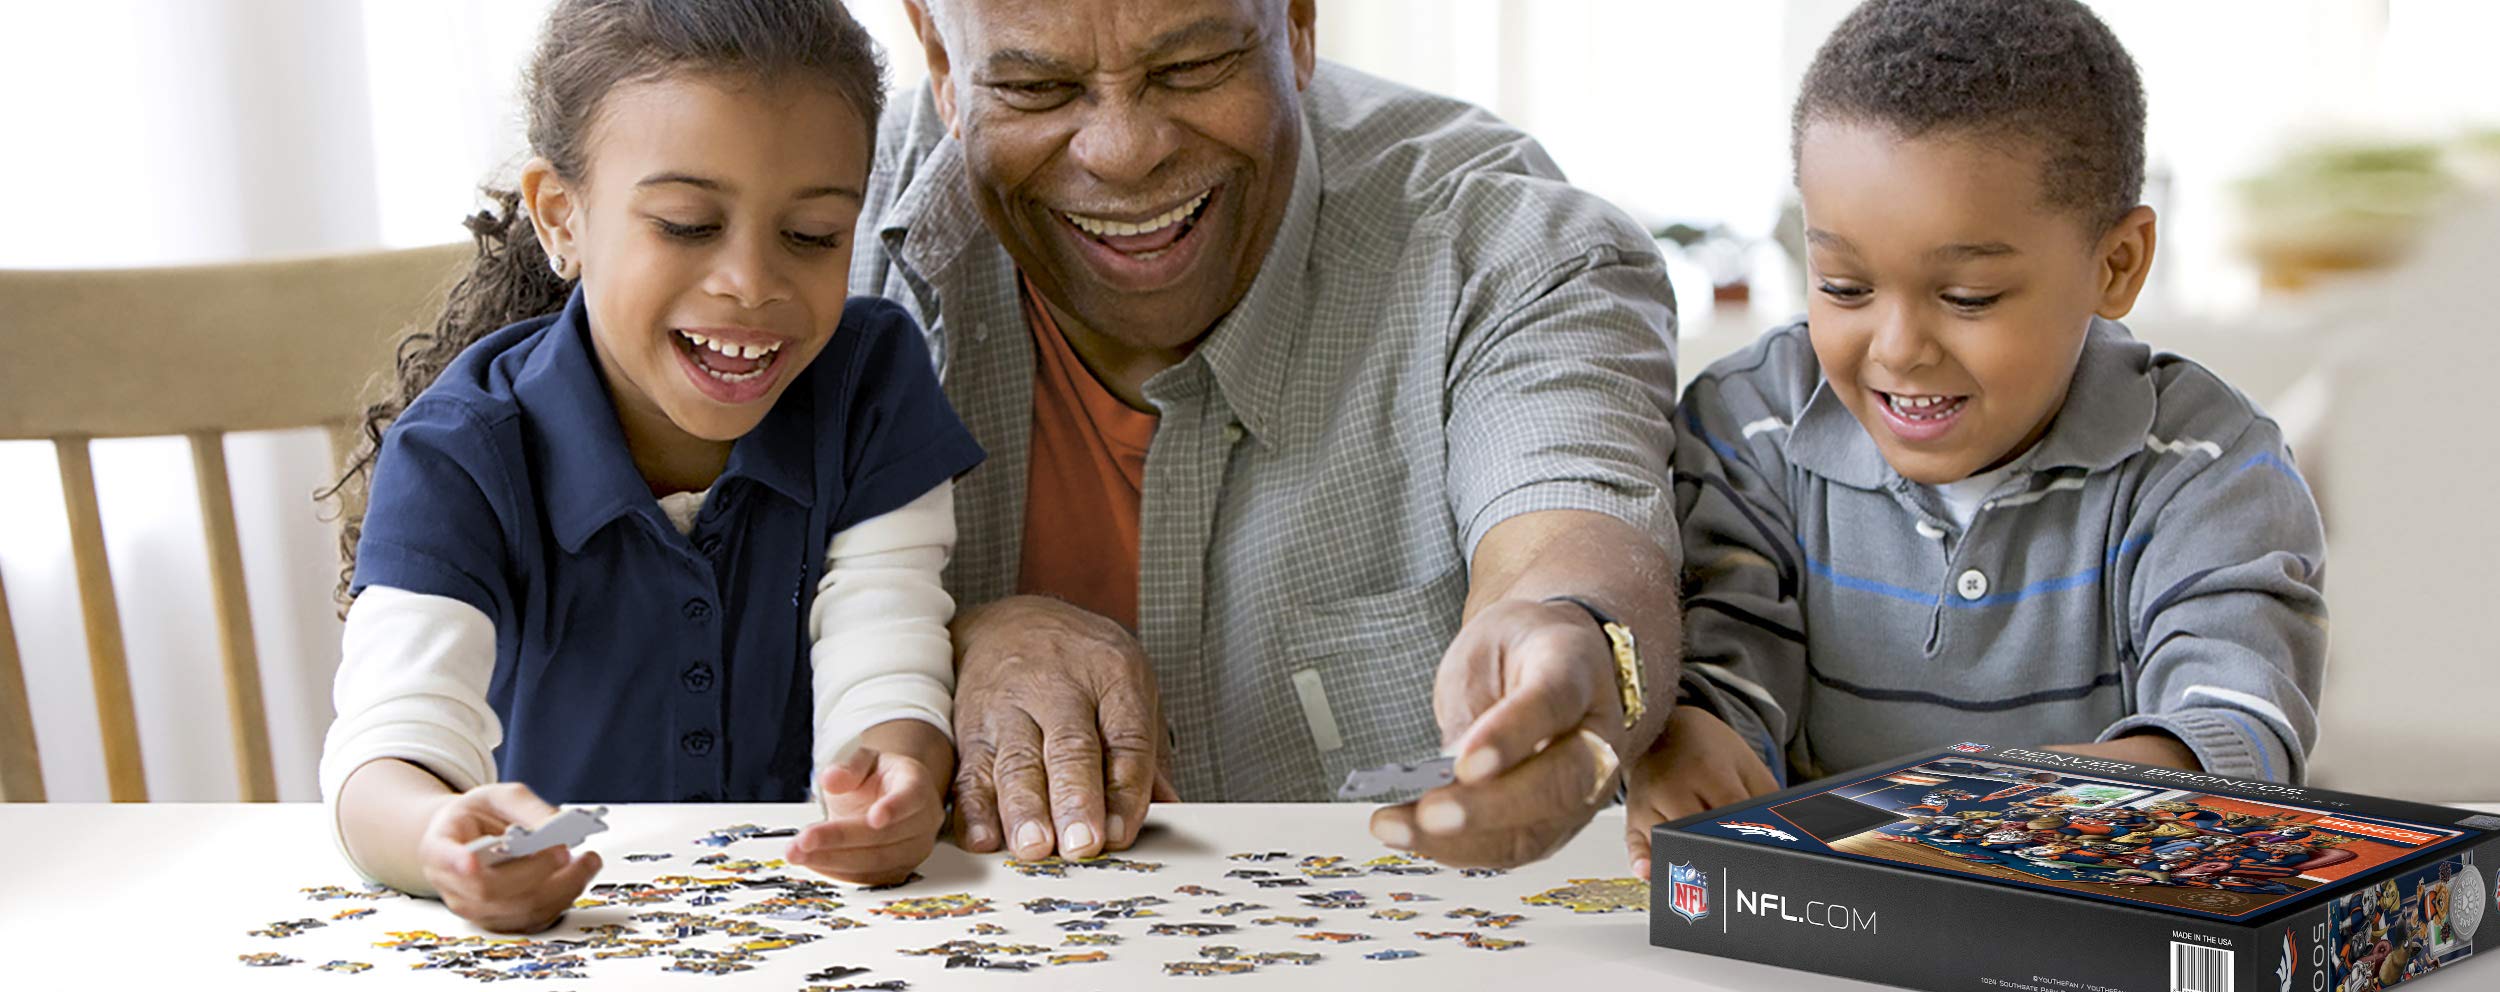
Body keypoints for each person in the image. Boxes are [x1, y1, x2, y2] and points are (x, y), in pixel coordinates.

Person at [858, 0, 1682, 868]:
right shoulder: (798, 225)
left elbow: (1570, 537)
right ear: (941, 61)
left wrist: (1576, 643)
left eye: (1191, 67)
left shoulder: (1502, 244)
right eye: (1035, 86)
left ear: (1296, 22)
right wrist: (937, 642)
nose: (1124, 151)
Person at [316, 0, 983, 932]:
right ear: (561, 217)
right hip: (565, 940)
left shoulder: (871, 385)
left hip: (813, 929)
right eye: (684, 223)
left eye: (813, 235)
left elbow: (886, 648)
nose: (751, 281)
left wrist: (895, 777)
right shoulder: (460, 452)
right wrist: (438, 836)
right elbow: (386, 751)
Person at [1626, 0, 2328, 876]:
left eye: (1967, 298)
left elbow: (2233, 721)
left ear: (2116, 265)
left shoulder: (2208, 465)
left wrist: (2007, 820)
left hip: (2083, 922)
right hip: (1815, 919)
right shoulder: (1749, 423)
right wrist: (1690, 734)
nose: (1897, 348)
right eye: (1844, 286)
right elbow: (1728, 649)